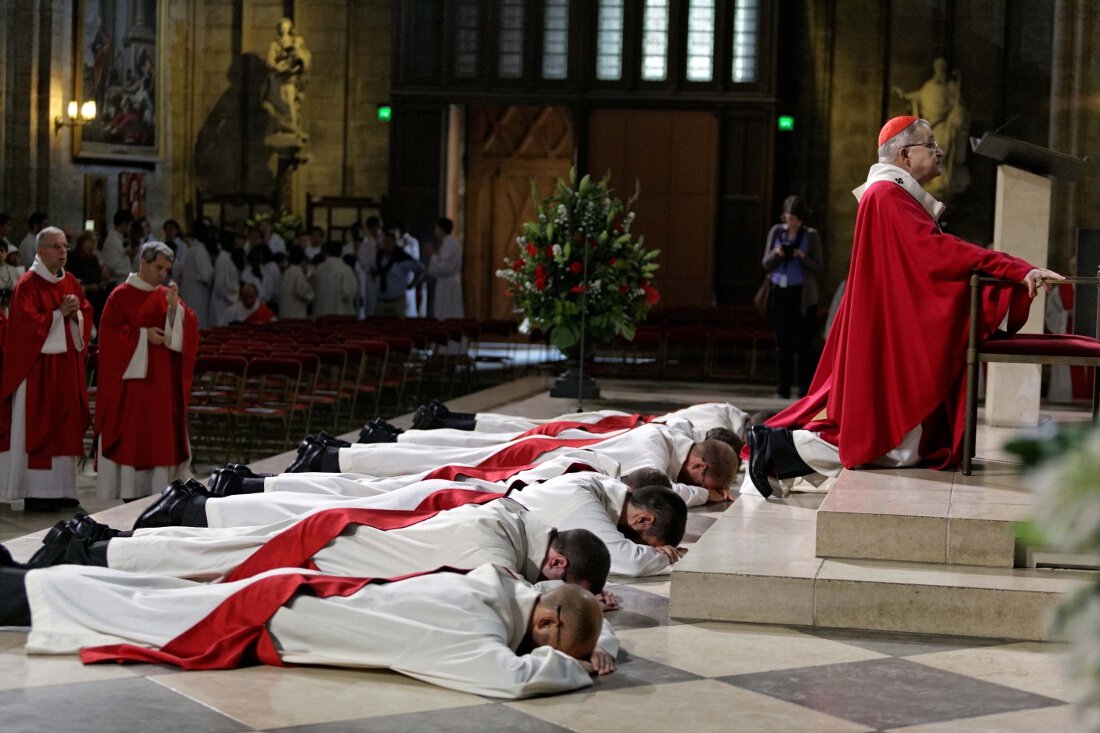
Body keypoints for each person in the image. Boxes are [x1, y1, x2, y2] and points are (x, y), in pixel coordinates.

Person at [744, 116, 1063, 498]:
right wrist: (1012, 267)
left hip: (895, 321)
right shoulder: (886, 195)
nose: (940, 151)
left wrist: (1010, 269)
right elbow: (938, 253)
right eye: (931, 144)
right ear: (905, 154)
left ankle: (780, 450)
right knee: (882, 439)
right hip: (892, 328)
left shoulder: (892, 195)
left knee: (900, 444)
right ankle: (779, 447)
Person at [0, 562, 602, 698]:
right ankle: (15, 587)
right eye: (549, 642)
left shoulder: (499, 585)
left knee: (146, 598)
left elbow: (571, 610)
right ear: (543, 622)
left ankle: (15, 576)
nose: (540, 650)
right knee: (131, 616)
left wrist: (598, 647)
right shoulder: (475, 630)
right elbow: (509, 679)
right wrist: (573, 667)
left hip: (295, 592)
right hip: (277, 615)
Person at [140, 468, 688, 577]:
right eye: (643, 532)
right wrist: (656, 558)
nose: (635, 537)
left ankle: (216, 500)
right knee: (322, 510)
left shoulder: (599, 489)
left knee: (330, 504)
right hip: (455, 504)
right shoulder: (593, 503)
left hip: (468, 502)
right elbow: (624, 560)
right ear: (640, 515)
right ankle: (204, 506)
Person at [295, 422, 739, 505]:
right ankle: (335, 457)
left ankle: (336, 456)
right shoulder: (659, 453)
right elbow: (655, 489)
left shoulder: (675, 440)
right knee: (440, 469)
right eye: (700, 478)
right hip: (549, 460)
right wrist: (707, 494)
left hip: (559, 455)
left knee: (441, 463)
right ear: (698, 468)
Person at [95, 242, 200, 502]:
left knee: (159, 437)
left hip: (162, 384)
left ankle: (160, 491)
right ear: (143, 262)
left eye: (166, 269)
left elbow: (190, 331)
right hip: (134, 386)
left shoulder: (167, 295)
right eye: (158, 267)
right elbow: (109, 338)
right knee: (135, 437)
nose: (162, 274)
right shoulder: (120, 295)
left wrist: (175, 309)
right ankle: (131, 492)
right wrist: (143, 337)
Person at [0, 227, 93, 510]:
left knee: (64, 425)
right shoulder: (28, 283)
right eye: (56, 246)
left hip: (64, 369)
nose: (63, 251)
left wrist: (77, 313)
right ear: (39, 250)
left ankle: (63, 489)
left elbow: (85, 314)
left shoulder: (71, 282)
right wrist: (58, 315)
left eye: (65, 246)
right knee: (38, 427)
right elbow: (24, 330)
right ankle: (37, 493)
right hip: (38, 371)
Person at [762, 195, 824, 399]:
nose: (792, 222)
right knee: (782, 343)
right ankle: (783, 388)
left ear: (802, 218)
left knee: (803, 344)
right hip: (779, 290)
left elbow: (818, 267)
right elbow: (766, 263)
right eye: (789, 218)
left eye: (795, 219)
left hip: (801, 295)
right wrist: (778, 253)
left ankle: (804, 389)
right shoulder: (777, 231)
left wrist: (801, 256)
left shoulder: (810, 235)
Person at [372, 230, 424, 318]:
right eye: (385, 242)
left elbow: (420, 269)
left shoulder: (402, 257)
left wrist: (412, 284)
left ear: (394, 242)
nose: (386, 245)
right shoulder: (379, 256)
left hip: (397, 301)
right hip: (381, 301)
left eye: (388, 242)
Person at [66, 230, 110, 325]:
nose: (93, 246)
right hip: (81, 294)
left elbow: (98, 278)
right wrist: (88, 287)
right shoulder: (73, 257)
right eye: (91, 242)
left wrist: (103, 276)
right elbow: (72, 279)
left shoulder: (93, 258)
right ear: (83, 242)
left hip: (95, 295)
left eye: (95, 243)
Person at [179, 220, 216, 328]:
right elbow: (207, 276)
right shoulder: (200, 251)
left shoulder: (191, 249)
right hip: (198, 297)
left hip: (190, 296)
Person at [425, 216, 463, 319]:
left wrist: (433, 256)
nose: (435, 231)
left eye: (436, 228)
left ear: (441, 229)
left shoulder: (449, 244)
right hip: (446, 282)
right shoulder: (448, 243)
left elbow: (445, 268)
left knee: (447, 313)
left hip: (447, 283)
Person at [312, 240, 358, 317]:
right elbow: (351, 292)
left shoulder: (319, 268)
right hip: (341, 312)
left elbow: (313, 289)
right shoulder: (346, 269)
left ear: (325, 252)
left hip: (322, 313)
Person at [209, 231, 241, 327]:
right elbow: (220, 286)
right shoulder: (223, 260)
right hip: (223, 304)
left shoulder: (226, 258)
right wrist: (236, 296)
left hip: (225, 302)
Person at [356, 216, 383, 316]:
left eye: (377, 228)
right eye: (373, 229)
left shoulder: (386, 241)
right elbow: (363, 262)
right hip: (371, 278)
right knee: (371, 306)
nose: (375, 232)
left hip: (386, 278)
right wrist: (375, 252)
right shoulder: (365, 245)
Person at [100, 209, 135, 286]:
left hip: (124, 280)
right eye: (130, 225)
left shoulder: (121, 238)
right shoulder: (113, 240)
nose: (130, 228)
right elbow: (113, 265)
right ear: (123, 224)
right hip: (117, 282)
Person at [279, 245, 314, 318]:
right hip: (295, 312)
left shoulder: (287, 271)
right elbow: (304, 293)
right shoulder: (298, 273)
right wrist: (310, 284)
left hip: (286, 309)